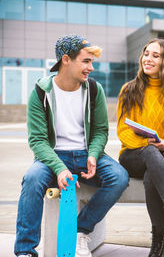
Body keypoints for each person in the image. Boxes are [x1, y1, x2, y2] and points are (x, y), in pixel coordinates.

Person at [14, 35, 129, 257]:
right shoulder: (41, 92)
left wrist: (94, 155)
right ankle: (25, 251)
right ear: (66, 60)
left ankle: (80, 231)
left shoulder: (94, 90)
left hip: (86, 155)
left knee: (119, 177)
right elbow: (37, 140)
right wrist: (59, 168)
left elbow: (100, 131)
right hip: (53, 157)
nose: (91, 67)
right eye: (86, 61)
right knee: (32, 179)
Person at [117, 38, 164, 257]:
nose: (147, 59)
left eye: (155, 55)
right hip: (133, 155)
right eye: (146, 53)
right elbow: (123, 129)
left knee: (153, 177)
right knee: (151, 152)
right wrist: (148, 143)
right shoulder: (129, 89)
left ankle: (158, 247)